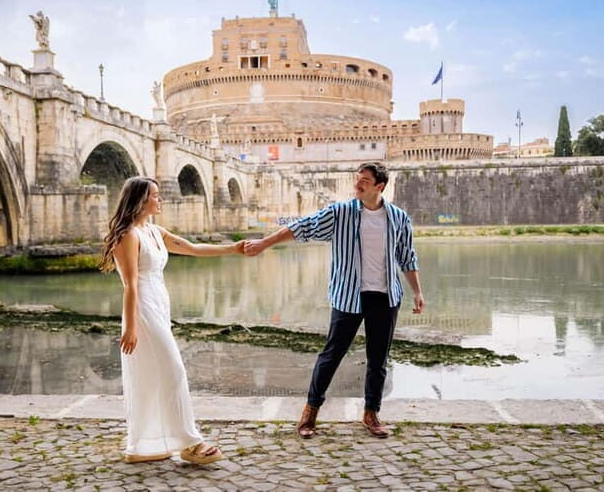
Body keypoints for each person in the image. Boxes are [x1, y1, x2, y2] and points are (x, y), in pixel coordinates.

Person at [244, 162, 424, 439]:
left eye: (364, 180)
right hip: (348, 295)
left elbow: (407, 256)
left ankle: (371, 414)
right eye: (357, 178)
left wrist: (418, 292)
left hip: (385, 297)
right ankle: (310, 413)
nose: (357, 183)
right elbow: (302, 227)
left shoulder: (398, 218)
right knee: (331, 356)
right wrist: (263, 244)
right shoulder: (340, 213)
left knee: (378, 360)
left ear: (380, 186)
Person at [100, 176, 244, 464]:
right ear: (141, 200)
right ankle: (190, 443)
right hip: (142, 310)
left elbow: (194, 249)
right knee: (174, 370)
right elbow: (130, 284)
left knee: (155, 376)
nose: (160, 199)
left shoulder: (155, 231)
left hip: (159, 305)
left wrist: (234, 248)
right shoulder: (128, 235)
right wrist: (130, 327)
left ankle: (147, 445)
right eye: (155, 195)